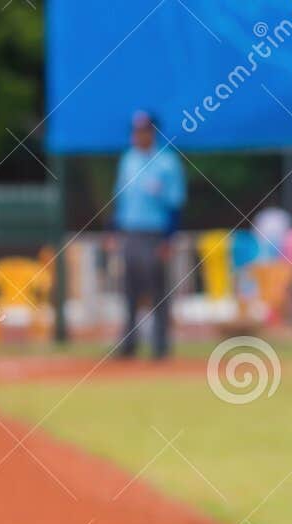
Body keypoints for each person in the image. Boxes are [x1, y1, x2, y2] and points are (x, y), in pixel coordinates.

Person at [112, 110, 185, 360]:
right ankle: (129, 344)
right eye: (135, 130)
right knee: (130, 289)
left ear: (153, 132)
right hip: (131, 231)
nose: (138, 135)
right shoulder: (128, 160)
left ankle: (160, 345)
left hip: (156, 232)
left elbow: (175, 204)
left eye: (143, 131)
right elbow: (119, 200)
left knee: (157, 289)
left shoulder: (167, 162)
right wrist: (115, 232)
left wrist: (168, 239)